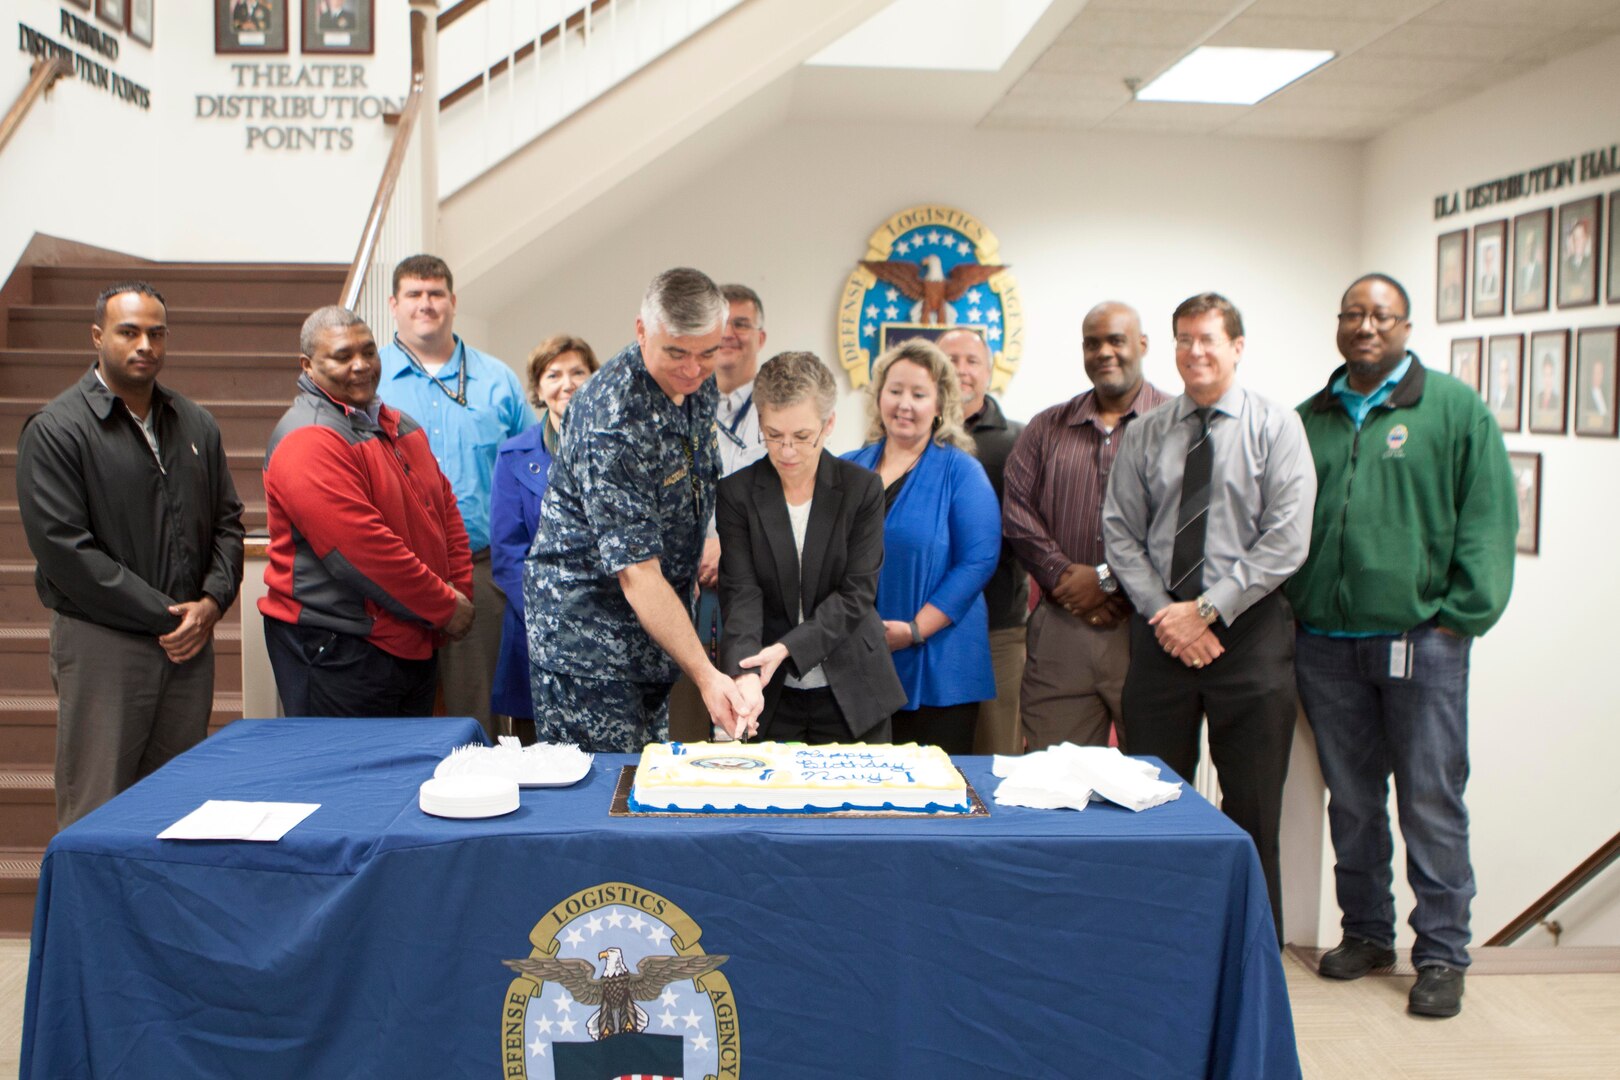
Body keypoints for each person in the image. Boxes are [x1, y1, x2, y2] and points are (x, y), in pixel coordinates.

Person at [1288, 273, 1517, 1019]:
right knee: (1353, 803)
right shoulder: (1308, 418)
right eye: (1352, 313)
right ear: (1338, 324)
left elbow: (1488, 517)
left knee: (1429, 798)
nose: (1365, 326)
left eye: (1380, 315)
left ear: (1406, 326)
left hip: (1424, 641)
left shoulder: (1453, 410)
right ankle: (1367, 934)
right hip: (1325, 644)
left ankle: (1443, 953)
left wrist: (1461, 615)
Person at [1102, 292, 1316, 940]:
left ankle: (1253, 958)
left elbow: (1287, 538)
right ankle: (1154, 942)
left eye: (1208, 340)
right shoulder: (1147, 432)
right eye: (1184, 339)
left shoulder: (1275, 427)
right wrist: (1170, 615)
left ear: (1237, 348)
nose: (1195, 352)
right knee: (1151, 805)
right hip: (1160, 632)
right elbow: (1119, 534)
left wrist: (1208, 611)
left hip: (1248, 636)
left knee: (1251, 813)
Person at [17, 282, 244, 828]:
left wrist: (211, 604)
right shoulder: (56, 429)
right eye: (129, 332)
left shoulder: (195, 424)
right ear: (98, 337)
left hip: (187, 647)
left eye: (156, 333)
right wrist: (170, 616)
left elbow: (229, 524)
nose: (145, 344)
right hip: (104, 644)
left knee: (179, 808)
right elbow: (65, 553)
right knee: (98, 809)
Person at [526, 268, 756, 751]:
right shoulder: (611, 418)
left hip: (651, 637)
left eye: (707, 353)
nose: (694, 369)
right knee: (600, 803)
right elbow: (638, 575)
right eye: (677, 353)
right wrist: (708, 677)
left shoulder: (696, 385)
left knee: (644, 790)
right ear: (641, 331)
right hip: (587, 646)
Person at [260, 307, 474, 717]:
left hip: (411, 634)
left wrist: (458, 589)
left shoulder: (399, 423)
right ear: (308, 366)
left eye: (368, 352)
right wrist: (445, 607)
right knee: (349, 778)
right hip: (339, 648)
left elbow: (444, 507)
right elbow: (363, 553)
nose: (360, 366)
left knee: (408, 776)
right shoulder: (306, 439)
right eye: (342, 356)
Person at [1003, 302, 1171, 752]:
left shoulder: (1180, 425)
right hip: (1063, 627)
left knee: (1154, 780)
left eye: (1116, 340)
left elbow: (1187, 523)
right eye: (1092, 343)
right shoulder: (1046, 428)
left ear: (1142, 345)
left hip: (1149, 627)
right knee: (1053, 782)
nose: (1104, 352)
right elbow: (1017, 512)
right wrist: (1062, 575)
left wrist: (1108, 580)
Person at [378, 254, 533, 739]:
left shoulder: (497, 380)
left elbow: (534, 470)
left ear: (453, 301)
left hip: (481, 573)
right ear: (394, 305)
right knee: (398, 711)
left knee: (477, 711)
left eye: (436, 293)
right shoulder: (370, 380)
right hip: (394, 574)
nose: (426, 304)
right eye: (414, 294)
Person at [716, 352, 906, 741]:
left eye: (802, 437)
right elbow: (742, 594)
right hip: (771, 696)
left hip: (853, 689)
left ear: (828, 423)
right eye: (773, 435)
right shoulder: (737, 494)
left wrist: (786, 649)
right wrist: (747, 675)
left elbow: (857, 595)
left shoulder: (861, 489)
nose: (787, 451)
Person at [843, 339, 1000, 754]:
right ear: (879, 396)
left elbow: (978, 561)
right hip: (857, 665)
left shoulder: (962, 472)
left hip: (939, 669)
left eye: (919, 394)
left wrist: (914, 631)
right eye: (895, 391)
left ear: (940, 403)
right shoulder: (848, 466)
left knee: (935, 803)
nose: (904, 404)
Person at [669, 283, 770, 742]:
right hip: (686, 584)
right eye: (723, 326)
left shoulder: (775, 409)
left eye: (742, 324)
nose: (731, 335)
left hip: (752, 586)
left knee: (746, 721)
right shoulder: (682, 401)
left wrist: (726, 544)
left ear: (761, 338)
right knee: (688, 720)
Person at [488, 335, 599, 735]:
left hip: (609, 636)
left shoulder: (617, 450)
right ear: (537, 388)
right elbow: (506, 555)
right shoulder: (513, 456)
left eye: (577, 373)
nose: (566, 383)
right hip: (538, 636)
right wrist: (554, 619)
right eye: (553, 374)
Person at [938, 326, 1029, 756]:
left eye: (971, 361)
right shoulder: (903, 439)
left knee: (996, 756)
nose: (960, 370)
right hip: (919, 631)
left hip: (998, 627)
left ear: (990, 372)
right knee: (930, 756)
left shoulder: (1021, 441)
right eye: (950, 360)